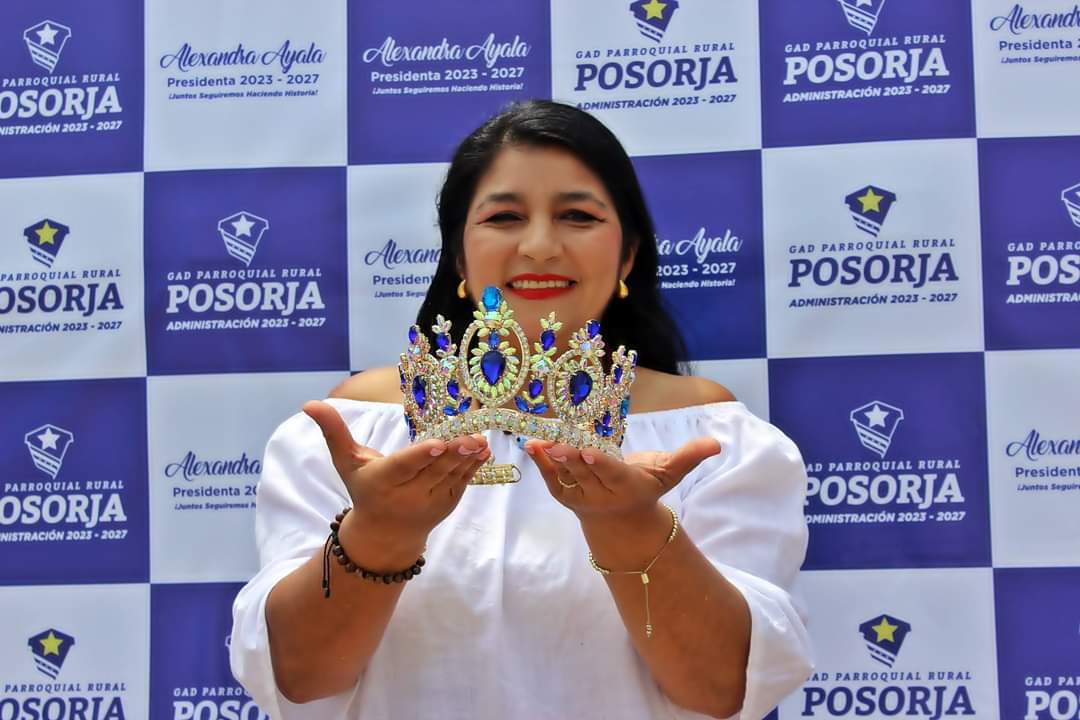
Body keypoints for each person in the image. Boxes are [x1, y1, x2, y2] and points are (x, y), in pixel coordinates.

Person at [231, 100, 813, 719]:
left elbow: (723, 688)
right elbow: (300, 676)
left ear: (628, 255)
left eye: (578, 216)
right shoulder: (350, 434)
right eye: (504, 217)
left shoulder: (712, 442)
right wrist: (380, 533)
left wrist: (633, 530)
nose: (539, 246)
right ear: (459, 256)